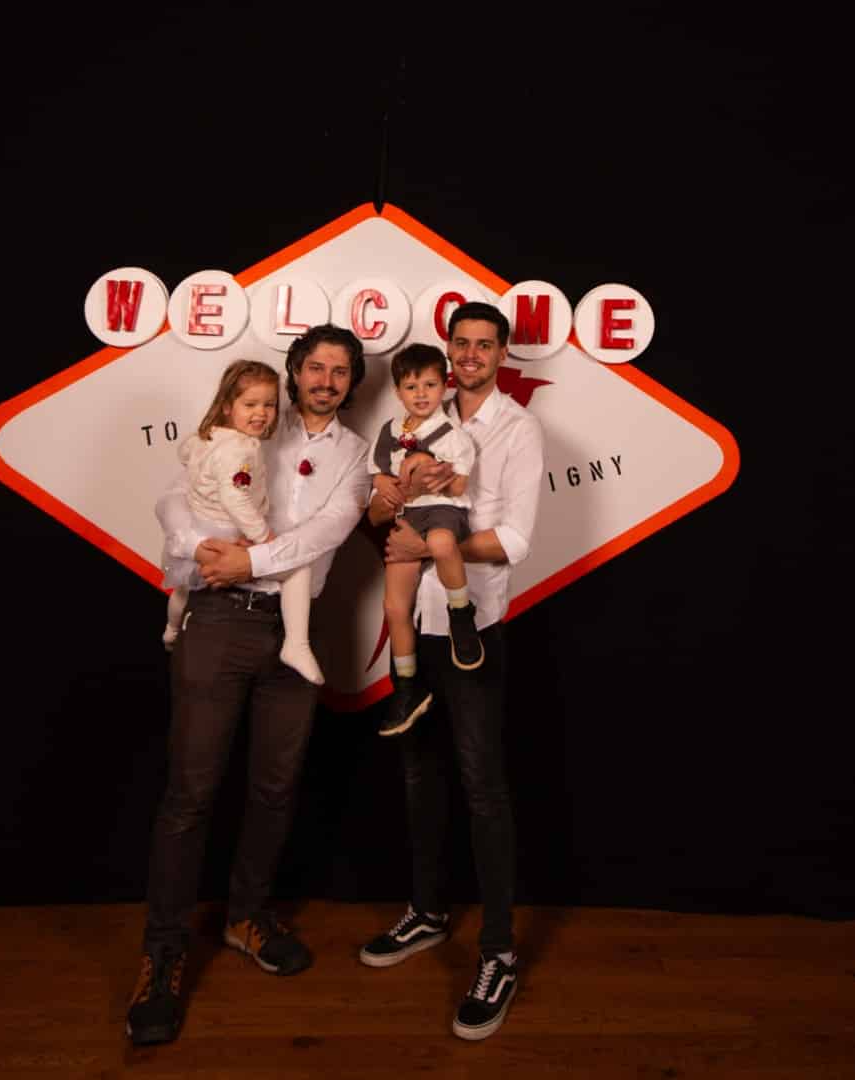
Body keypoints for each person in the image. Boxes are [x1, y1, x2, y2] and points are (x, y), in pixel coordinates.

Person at [127, 324, 371, 1047]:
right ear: (294, 371)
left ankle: (245, 916)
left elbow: (328, 531)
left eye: (340, 371)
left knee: (274, 788)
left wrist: (252, 558)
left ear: (352, 382)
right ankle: (163, 955)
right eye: (315, 366)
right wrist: (196, 546)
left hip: (292, 631)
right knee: (190, 795)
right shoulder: (252, 415)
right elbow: (174, 497)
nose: (325, 380)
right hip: (216, 620)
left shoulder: (358, 455)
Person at [357, 302, 544, 1042]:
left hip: (473, 625)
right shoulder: (415, 416)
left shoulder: (516, 429)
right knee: (417, 769)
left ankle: (499, 952)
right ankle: (429, 911)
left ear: (501, 353)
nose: (470, 355)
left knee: (481, 783)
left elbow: (516, 538)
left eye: (484, 346)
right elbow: (377, 518)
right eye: (460, 344)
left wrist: (432, 547)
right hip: (414, 620)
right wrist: (392, 503)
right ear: (445, 353)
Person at [161, 358, 323, 685]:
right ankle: (296, 644)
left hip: (200, 526)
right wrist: (264, 537)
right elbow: (235, 498)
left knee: (185, 587)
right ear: (226, 406)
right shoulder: (239, 451)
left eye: (269, 405)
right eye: (250, 404)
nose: (261, 413)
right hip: (225, 534)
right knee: (298, 567)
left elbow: (185, 453)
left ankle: (171, 630)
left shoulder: (206, 438)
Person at [367, 343, 481, 739]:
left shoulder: (451, 434)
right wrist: (386, 483)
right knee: (394, 606)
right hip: (407, 515)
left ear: (444, 386)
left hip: (442, 509)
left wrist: (435, 473)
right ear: (397, 391)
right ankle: (406, 686)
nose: (421, 394)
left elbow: (461, 484)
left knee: (444, 545)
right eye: (411, 386)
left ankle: (461, 613)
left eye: (430, 385)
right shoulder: (389, 431)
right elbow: (378, 475)